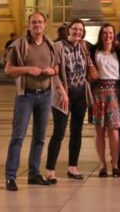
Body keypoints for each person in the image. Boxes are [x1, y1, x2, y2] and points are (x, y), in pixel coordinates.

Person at [3, 12, 67, 191]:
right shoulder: (19, 45)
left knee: (39, 137)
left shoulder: (50, 45)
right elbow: (8, 70)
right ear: (28, 25)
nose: (37, 25)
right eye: (34, 22)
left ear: (45, 25)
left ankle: (34, 173)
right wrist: (27, 69)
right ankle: (10, 176)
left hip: (45, 95)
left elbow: (56, 68)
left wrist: (51, 72)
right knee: (18, 136)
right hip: (26, 96)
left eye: (40, 22)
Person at [47, 19, 92, 182]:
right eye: (75, 29)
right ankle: (50, 170)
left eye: (80, 30)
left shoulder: (83, 46)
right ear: (68, 30)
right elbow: (54, 72)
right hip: (63, 96)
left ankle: (73, 167)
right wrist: (62, 92)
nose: (77, 32)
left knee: (77, 133)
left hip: (80, 95)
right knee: (58, 133)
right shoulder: (58, 46)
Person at [91, 23, 120, 177]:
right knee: (99, 130)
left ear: (114, 35)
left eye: (110, 33)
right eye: (105, 33)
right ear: (101, 35)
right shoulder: (94, 51)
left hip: (115, 93)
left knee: (114, 130)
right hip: (98, 93)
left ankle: (115, 163)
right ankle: (102, 164)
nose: (108, 36)